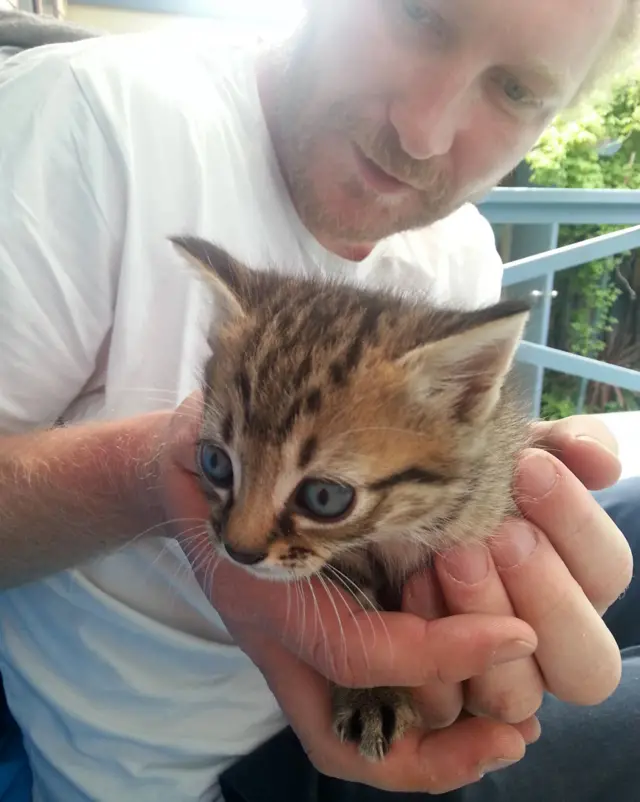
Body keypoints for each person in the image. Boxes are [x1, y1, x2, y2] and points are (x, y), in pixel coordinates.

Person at [0, 3, 637, 801]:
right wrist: (151, 472)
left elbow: (431, 481)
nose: (423, 132)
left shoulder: (460, 249)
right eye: (420, 16)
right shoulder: (85, 120)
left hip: (393, 698)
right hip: (198, 772)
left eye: (514, 88)